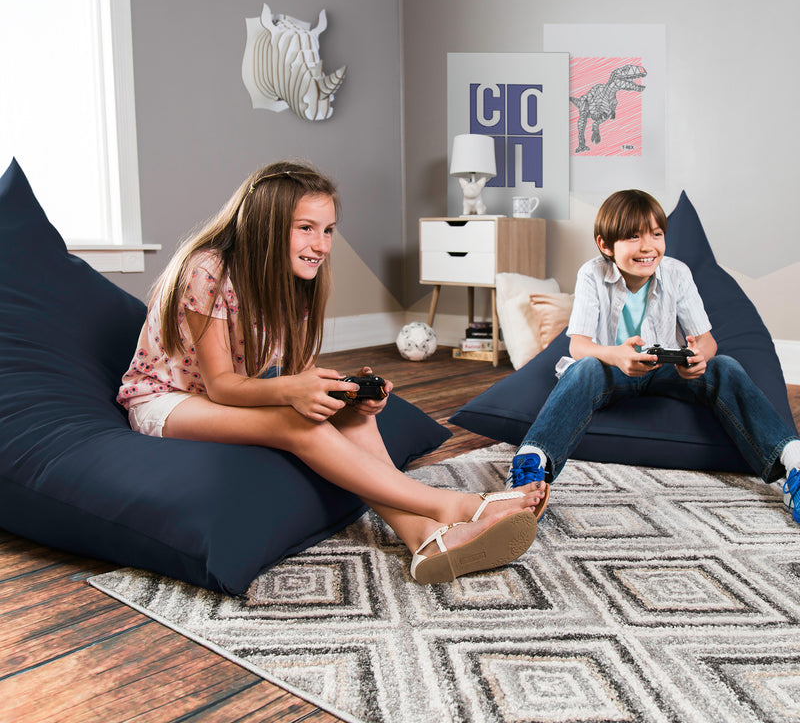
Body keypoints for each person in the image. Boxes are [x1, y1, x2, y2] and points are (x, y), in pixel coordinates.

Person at [118, 160, 548, 584]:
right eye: (306, 228)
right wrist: (293, 393)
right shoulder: (207, 271)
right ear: (266, 226)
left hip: (223, 397)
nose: (321, 245)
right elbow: (222, 386)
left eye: (327, 230)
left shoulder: (295, 282)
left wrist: (345, 393)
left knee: (347, 413)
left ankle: (423, 537)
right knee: (295, 422)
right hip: (168, 400)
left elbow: (297, 372)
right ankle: (455, 506)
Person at [505, 189, 800, 524]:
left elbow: (707, 341)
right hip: (612, 369)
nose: (648, 247)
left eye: (656, 235)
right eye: (634, 237)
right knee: (583, 368)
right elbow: (579, 346)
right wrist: (616, 355)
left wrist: (697, 358)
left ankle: (794, 464)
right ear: (605, 245)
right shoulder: (591, 274)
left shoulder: (677, 273)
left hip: (665, 369)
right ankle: (531, 465)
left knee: (725, 366)